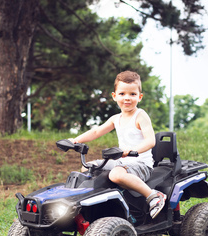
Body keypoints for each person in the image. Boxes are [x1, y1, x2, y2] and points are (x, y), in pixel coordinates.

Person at [69, 70, 166, 219]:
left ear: (139, 97)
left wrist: (132, 151)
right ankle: (94, 204)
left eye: (132, 94)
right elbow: (96, 132)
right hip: (122, 162)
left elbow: (150, 141)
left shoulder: (140, 115)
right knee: (88, 167)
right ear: (114, 96)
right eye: (122, 94)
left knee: (116, 174)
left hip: (141, 164)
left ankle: (153, 196)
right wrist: (76, 140)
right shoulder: (116, 118)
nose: (127, 98)